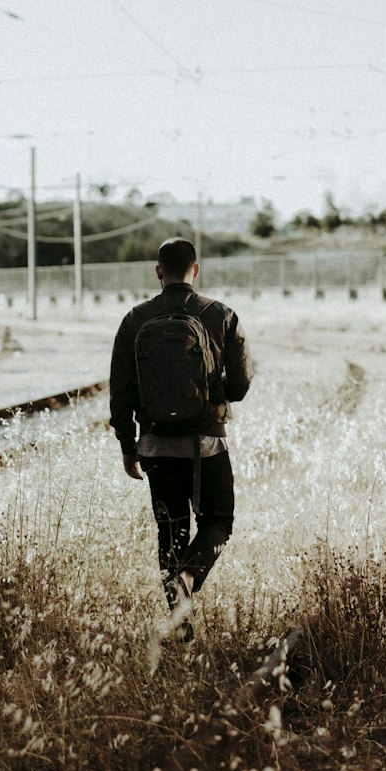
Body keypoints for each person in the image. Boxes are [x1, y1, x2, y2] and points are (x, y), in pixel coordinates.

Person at [109, 237, 253, 639]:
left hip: (155, 443)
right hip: (207, 442)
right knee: (218, 521)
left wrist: (127, 444)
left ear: (159, 271)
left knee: (171, 532)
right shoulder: (221, 315)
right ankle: (189, 578)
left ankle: (181, 622)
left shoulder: (135, 320)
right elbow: (240, 384)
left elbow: (120, 389)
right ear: (196, 269)